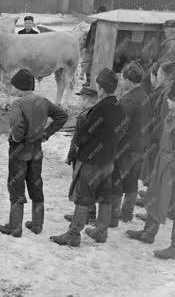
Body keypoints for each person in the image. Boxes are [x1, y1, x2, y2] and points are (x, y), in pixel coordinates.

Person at [127, 79, 175, 260]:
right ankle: (148, 233)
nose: (167, 102)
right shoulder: (172, 114)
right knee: (154, 196)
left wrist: (174, 167)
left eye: (170, 99)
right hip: (162, 162)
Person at [50, 68, 125, 247]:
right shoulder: (119, 107)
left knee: (83, 197)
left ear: (100, 88)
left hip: (91, 162)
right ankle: (101, 231)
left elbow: (84, 134)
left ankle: (74, 233)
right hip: (109, 161)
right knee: (105, 196)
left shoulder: (99, 109)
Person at [0, 69, 68, 237]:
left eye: (13, 85)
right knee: (36, 184)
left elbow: (16, 125)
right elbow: (62, 116)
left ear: (20, 87)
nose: (12, 89)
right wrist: (46, 133)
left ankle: (15, 226)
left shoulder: (18, 104)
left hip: (19, 151)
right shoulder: (43, 101)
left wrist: (16, 137)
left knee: (16, 187)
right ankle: (37, 224)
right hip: (36, 150)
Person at [110, 61, 151, 226]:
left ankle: (113, 217)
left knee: (117, 180)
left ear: (128, 79)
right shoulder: (144, 96)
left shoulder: (128, 100)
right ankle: (127, 213)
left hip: (126, 147)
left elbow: (121, 127)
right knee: (132, 180)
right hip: (140, 145)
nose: (121, 82)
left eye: (122, 78)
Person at [140, 58, 175, 194]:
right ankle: (149, 195)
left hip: (160, 138)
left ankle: (152, 201)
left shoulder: (167, 94)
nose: (157, 77)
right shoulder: (170, 89)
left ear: (166, 77)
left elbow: (165, 120)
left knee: (156, 167)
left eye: (159, 74)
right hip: (162, 137)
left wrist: (152, 135)